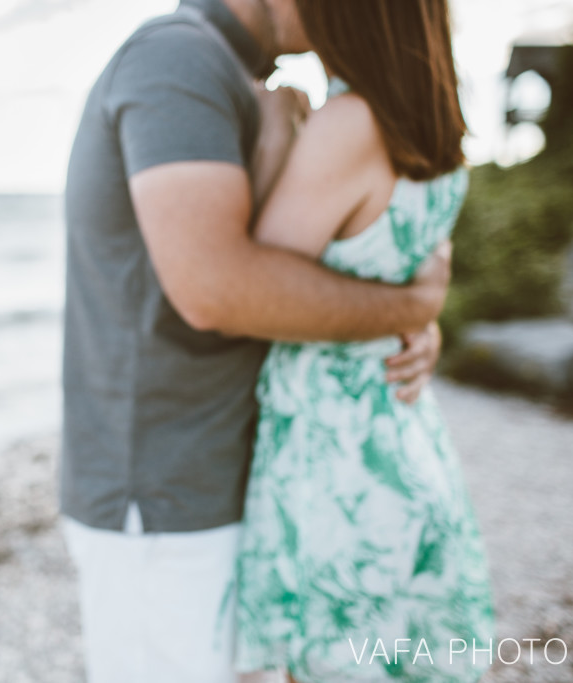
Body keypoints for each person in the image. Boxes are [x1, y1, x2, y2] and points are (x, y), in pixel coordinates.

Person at [60, 0, 450, 681]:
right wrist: (406, 307)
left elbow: (308, 270)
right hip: (164, 495)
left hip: (241, 480)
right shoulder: (176, 59)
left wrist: (407, 319)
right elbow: (217, 289)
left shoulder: (242, 75)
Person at [232, 1, 495, 682]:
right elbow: (406, 259)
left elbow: (257, 287)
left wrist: (272, 132)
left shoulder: (348, 124)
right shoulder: (433, 121)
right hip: (401, 434)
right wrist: (419, 312)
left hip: (337, 457)